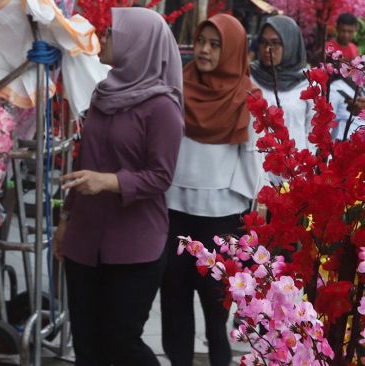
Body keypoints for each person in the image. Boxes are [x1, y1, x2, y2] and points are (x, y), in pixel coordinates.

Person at [53, 7, 184, 366]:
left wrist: (110, 182)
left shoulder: (162, 107)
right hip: (85, 238)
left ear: (138, 44)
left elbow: (161, 175)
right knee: (87, 345)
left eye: (113, 33)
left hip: (134, 246)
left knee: (121, 343)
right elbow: (85, 162)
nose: (105, 37)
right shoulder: (103, 94)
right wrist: (66, 217)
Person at [161, 14, 263, 366]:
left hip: (220, 216)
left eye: (215, 44)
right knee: (174, 301)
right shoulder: (178, 85)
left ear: (232, 49)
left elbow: (252, 157)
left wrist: (251, 208)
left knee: (216, 308)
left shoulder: (246, 96)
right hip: (174, 209)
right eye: (201, 41)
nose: (203, 50)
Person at [250, 15, 313, 153]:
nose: (267, 49)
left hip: (293, 168)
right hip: (256, 167)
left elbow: (312, 133)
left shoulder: (307, 83)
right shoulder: (250, 78)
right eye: (263, 42)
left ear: (290, 44)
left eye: (275, 43)